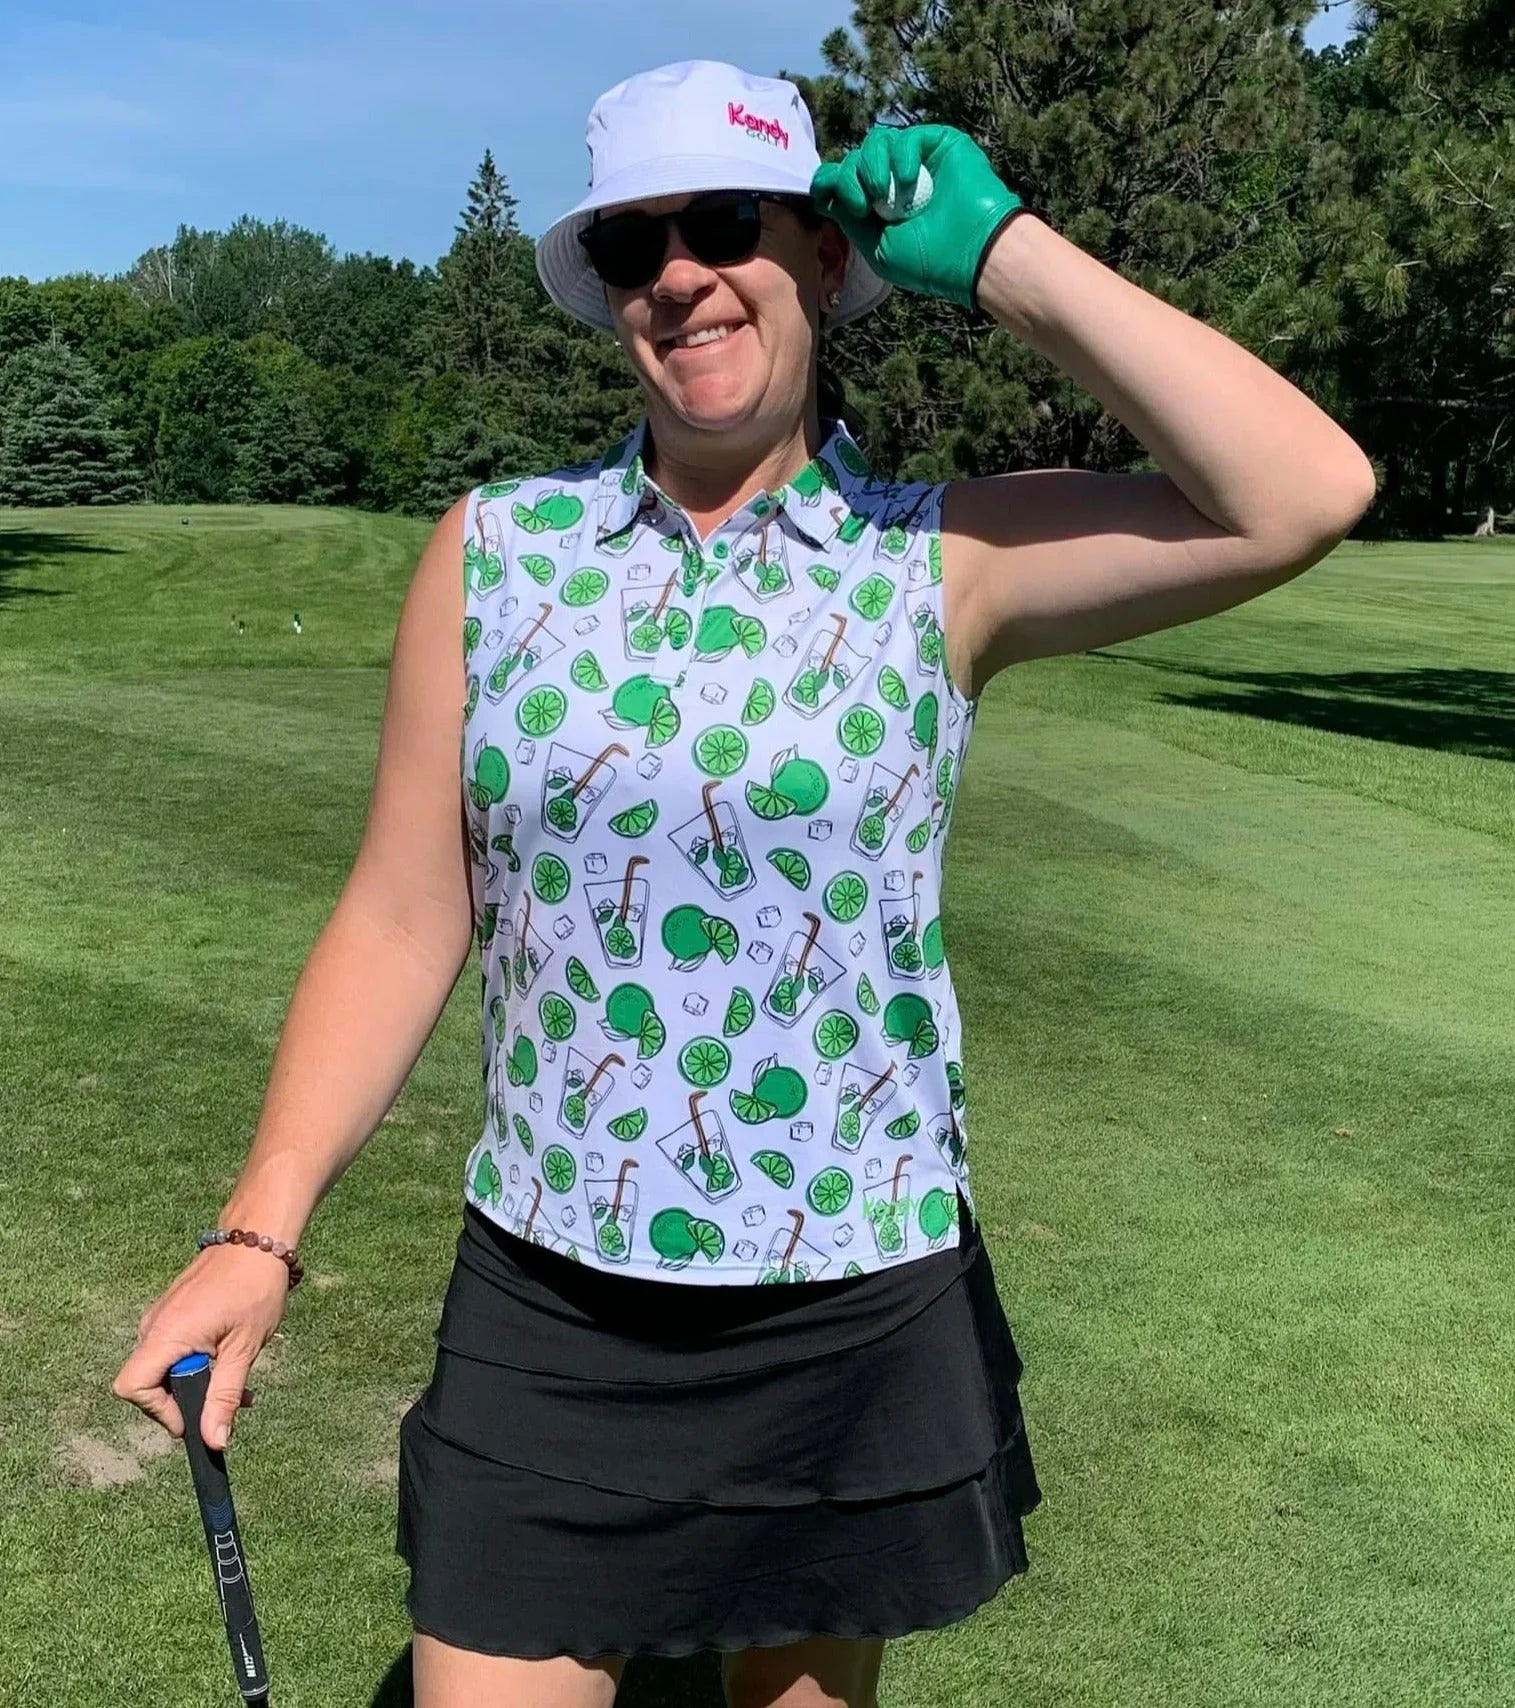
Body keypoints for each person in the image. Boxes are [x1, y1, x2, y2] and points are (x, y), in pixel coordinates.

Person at [113, 57, 1375, 1708]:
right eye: (637, 248)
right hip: (554, 1292)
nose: (682, 275)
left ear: (825, 255)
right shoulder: (496, 554)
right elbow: (407, 913)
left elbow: (1307, 491)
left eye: (725, 222)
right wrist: (256, 1237)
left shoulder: (947, 561)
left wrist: (1007, 255)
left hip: (849, 1300)